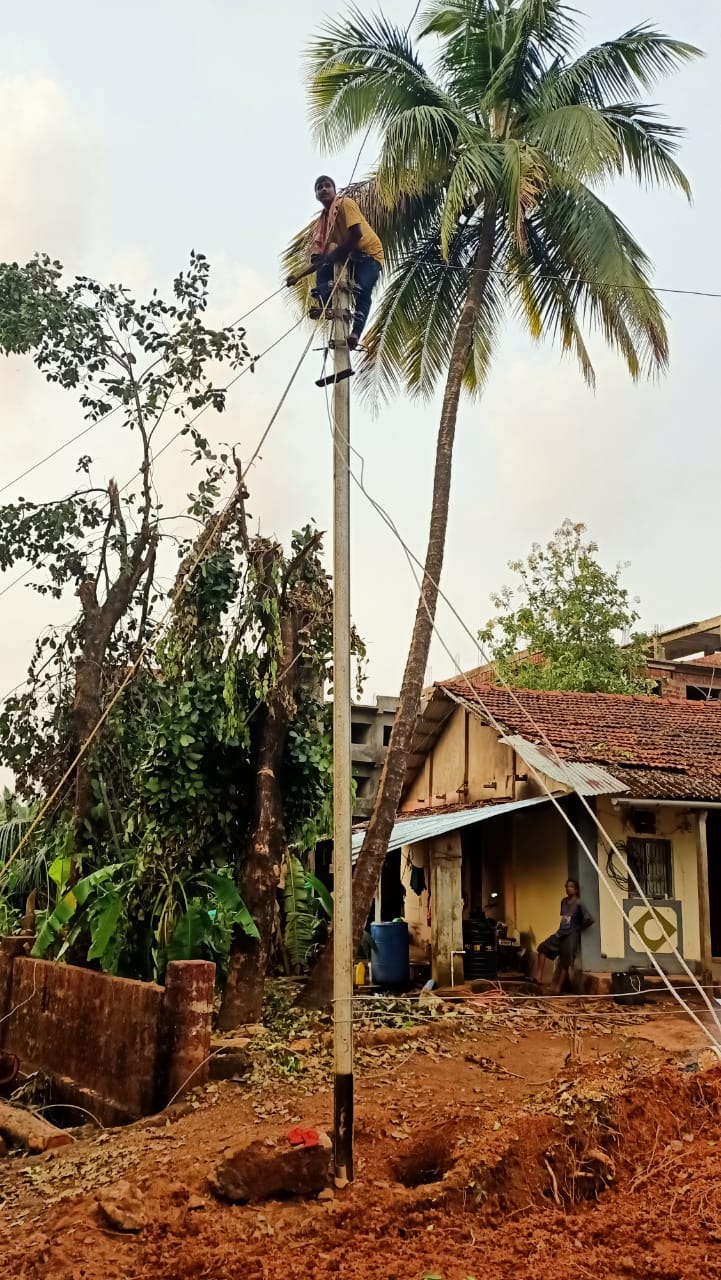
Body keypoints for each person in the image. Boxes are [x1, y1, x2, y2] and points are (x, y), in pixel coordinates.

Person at [285, 175, 384, 350]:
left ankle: (355, 334)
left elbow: (356, 235)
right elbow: (322, 259)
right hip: (351, 254)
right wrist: (298, 277)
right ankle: (326, 305)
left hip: (370, 255)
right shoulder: (324, 223)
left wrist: (336, 253)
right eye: (319, 188)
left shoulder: (345, 204)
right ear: (316, 195)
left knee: (362, 289)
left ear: (334, 189)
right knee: (323, 265)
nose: (323, 189)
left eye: (327, 186)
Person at [534, 879, 593, 995]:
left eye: (571, 887)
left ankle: (558, 988)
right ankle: (538, 977)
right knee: (542, 948)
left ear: (575, 890)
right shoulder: (563, 902)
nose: (568, 889)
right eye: (566, 886)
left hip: (571, 936)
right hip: (560, 933)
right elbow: (564, 918)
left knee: (565, 961)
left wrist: (577, 928)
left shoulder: (579, 903)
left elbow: (589, 919)